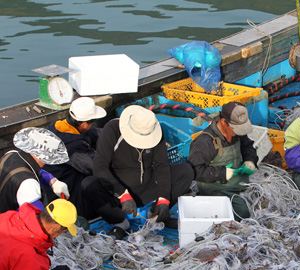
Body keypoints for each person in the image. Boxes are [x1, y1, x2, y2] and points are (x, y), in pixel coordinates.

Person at [82, 105, 194, 239]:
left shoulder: (155, 130)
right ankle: (120, 222)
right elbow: (100, 167)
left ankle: (156, 214)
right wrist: (122, 194)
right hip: (119, 192)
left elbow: (161, 166)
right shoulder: (112, 130)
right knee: (89, 184)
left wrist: (164, 199)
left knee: (186, 171)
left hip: (147, 186)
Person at [188, 102, 258, 220]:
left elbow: (248, 146)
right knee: (243, 213)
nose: (238, 132)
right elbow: (194, 171)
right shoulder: (205, 142)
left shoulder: (236, 133)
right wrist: (223, 173)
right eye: (236, 128)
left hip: (239, 183)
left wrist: (250, 160)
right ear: (224, 122)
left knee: (260, 202)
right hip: (217, 189)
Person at [44, 97, 107, 220]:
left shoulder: (56, 126)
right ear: (84, 124)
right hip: (66, 189)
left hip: (50, 180)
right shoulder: (74, 146)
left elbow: (91, 133)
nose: (92, 125)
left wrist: (111, 132)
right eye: (91, 123)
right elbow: (94, 167)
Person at [0, 127, 70, 213]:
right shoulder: (29, 185)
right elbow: (36, 216)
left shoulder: (11, 154)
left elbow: (28, 169)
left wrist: (51, 180)